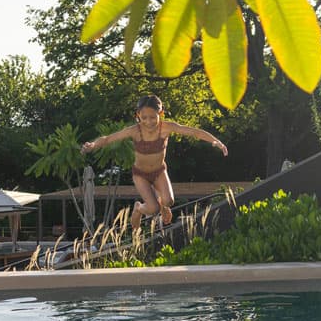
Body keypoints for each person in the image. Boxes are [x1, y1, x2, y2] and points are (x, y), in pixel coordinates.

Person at [81, 94, 227, 226]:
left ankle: (164, 207)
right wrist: (93, 145)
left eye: (153, 117)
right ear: (138, 115)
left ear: (160, 114)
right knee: (152, 209)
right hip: (140, 174)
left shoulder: (167, 128)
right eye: (144, 118)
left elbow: (193, 132)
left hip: (159, 172)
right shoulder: (135, 131)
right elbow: (108, 139)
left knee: (169, 201)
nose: (148, 122)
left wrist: (216, 142)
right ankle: (138, 208)